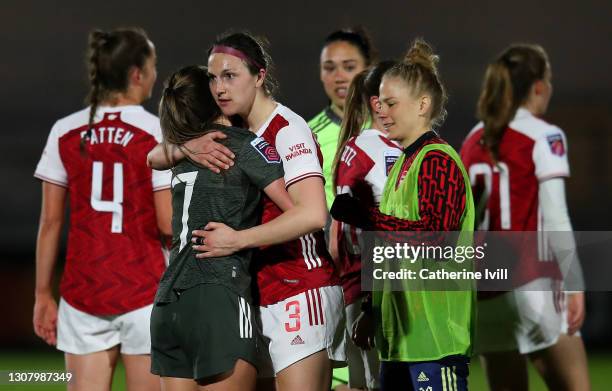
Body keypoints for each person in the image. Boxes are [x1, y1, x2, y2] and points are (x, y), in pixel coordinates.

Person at [148, 32, 346, 391]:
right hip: (255, 293)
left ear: (259, 75)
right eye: (212, 77)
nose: (219, 88)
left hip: (299, 288)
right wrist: (187, 146)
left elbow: (313, 215)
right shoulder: (231, 131)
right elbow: (153, 157)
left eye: (230, 75)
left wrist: (237, 240)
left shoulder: (288, 130)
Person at [331, 39, 475, 391]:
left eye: (392, 103)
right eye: (380, 102)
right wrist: (371, 310)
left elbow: (436, 241)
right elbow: (391, 249)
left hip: (435, 340)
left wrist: (368, 217)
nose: (382, 111)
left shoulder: (437, 161)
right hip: (398, 341)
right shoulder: (402, 167)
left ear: (423, 105)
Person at [33, 28, 170, 391]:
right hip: (145, 289)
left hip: (83, 295)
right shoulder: (157, 133)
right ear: (137, 74)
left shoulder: (64, 131)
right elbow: (167, 223)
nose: (156, 75)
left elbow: (50, 223)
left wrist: (43, 294)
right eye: (153, 67)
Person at [149, 65, 292, 391]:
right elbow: (298, 212)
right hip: (218, 293)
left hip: (168, 301)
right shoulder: (243, 145)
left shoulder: (183, 153)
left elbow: (151, 158)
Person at [460, 43, 590, 391]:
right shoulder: (543, 135)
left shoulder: (473, 139)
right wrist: (575, 282)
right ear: (539, 86)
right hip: (531, 282)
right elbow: (557, 216)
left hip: (485, 291)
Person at [330, 61, 401, 391]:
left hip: (355, 288)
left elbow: (336, 237)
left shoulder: (354, 148)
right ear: (378, 103)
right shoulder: (389, 152)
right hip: (378, 291)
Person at [308, 28, 377, 210]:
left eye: (349, 67)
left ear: (368, 70)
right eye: (329, 68)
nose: (339, 77)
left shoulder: (391, 128)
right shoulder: (307, 136)